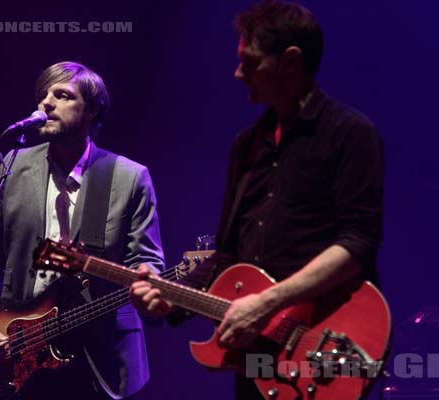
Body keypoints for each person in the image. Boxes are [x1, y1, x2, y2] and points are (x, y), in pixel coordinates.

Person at [130, 1, 385, 398]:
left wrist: (265, 303)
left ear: (290, 61)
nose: (237, 74)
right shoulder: (246, 147)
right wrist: (170, 298)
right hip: (259, 353)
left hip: (325, 347)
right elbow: (228, 254)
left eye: (249, 62)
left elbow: (359, 244)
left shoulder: (350, 134)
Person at [0, 61, 165, 399]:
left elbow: (147, 263)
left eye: (62, 95)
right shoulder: (14, 166)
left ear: (92, 111)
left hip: (103, 355)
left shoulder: (128, 177)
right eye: (43, 94)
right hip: (24, 353)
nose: (46, 103)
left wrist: (150, 289)